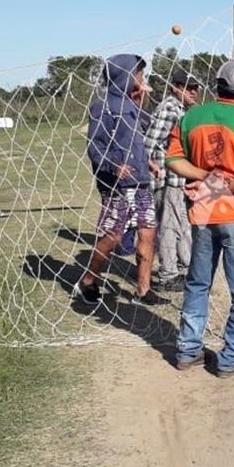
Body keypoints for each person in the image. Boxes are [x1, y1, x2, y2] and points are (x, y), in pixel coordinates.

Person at [164, 60, 234, 378]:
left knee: (198, 283)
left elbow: (173, 159)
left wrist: (204, 178)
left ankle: (187, 350)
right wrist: (222, 185)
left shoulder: (191, 117)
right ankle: (230, 358)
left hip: (202, 211)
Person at [77, 54, 162, 306]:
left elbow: (136, 141)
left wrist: (147, 162)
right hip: (118, 186)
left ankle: (143, 290)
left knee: (148, 234)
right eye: (138, 74)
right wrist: (114, 165)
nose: (142, 78)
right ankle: (88, 280)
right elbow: (95, 145)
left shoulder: (132, 105)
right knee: (112, 237)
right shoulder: (102, 106)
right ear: (124, 75)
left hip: (141, 182)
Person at [145, 68, 201, 288]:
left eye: (195, 88)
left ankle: (183, 267)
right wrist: (152, 165)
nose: (193, 92)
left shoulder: (181, 109)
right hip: (170, 179)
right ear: (175, 88)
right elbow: (149, 142)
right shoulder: (169, 108)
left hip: (179, 179)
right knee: (170, 226)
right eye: (188, 88)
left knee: (180, 223)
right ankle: (168, 274)